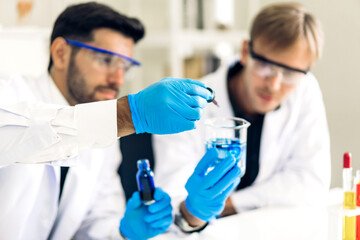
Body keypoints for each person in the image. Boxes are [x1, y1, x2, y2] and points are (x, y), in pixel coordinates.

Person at [0, 2, 213, 240]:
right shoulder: (8, 94)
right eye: (105, 60)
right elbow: (11, 137)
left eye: (125, 65)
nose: (117, 78)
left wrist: (124, 232)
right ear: (60, 53)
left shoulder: (106, 139)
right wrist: (125, 115)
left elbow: (95, 224)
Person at [154, 2, 331, 231]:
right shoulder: (189, 104)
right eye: (266, 66)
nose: (274, 85)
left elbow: (311, 182)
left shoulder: (305, 89)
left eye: (290, 73)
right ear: (246, 51)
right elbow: (173, 198)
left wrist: (231, 203)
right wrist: (194, 211)